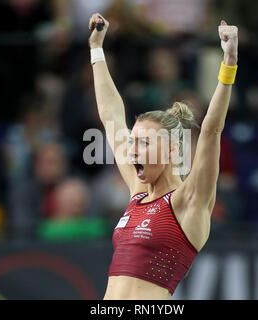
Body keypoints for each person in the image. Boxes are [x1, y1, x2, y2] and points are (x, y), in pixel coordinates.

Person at [88, 13, 238, 299]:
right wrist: (96, 49)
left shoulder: (188, 201)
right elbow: (110, 116)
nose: (132, 150)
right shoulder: (138, 191)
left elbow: (211, 130)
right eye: (132, 142)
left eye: (143, 143)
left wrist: (229, 63)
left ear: (171, 149)